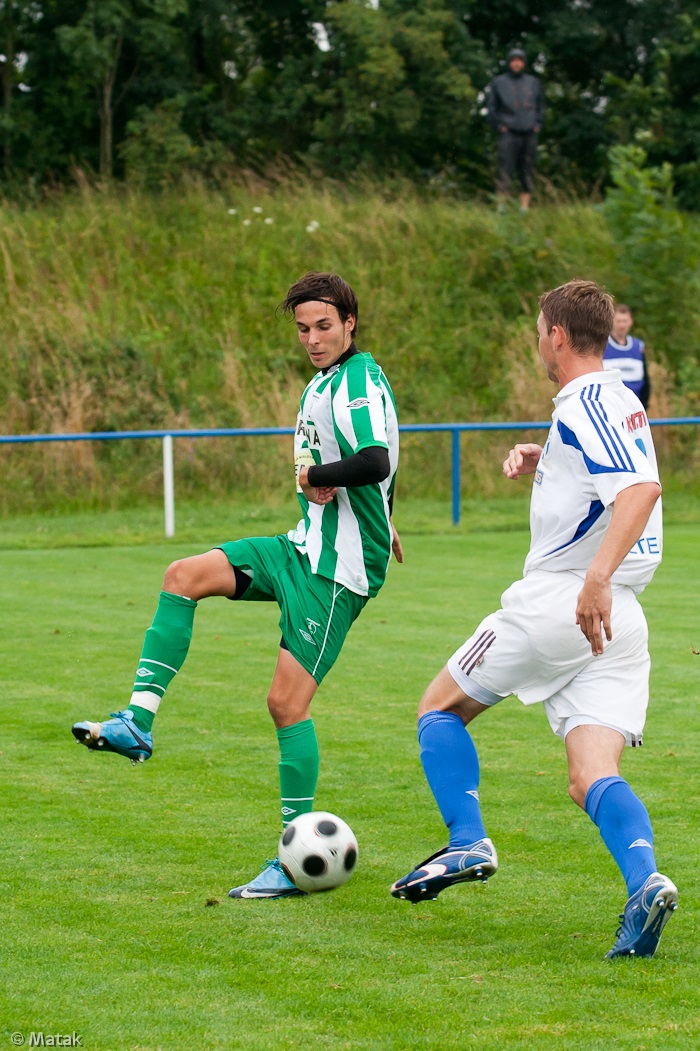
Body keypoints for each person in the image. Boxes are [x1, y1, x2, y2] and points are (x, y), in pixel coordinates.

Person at [72, 271, 402, 900]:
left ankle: (294, 855)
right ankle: (137, 722)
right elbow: (385, 463)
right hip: (300, 547)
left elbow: (374, 460)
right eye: (303, 328)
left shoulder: (357, 378)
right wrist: (386, 516)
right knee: (183, 576)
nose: (312, 338)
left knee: (286, 705)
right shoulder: (323, 383)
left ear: (350, 323)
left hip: (337, 573)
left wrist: (320, 481)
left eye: (324, 326)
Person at [391, 279, 678, 960]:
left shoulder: (589, 402)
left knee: (439, 707)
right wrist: (540, 454)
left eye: (538, 328)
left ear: (555, 334)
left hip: (567, 602)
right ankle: (646, 884)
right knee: (589, 772)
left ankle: (467, 840)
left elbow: (639, 488)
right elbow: (605, 475)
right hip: (619, 623)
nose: (536, 339)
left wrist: (595, 579)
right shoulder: (608, 401)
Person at [487, 48, 545, 211]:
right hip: (509, 133)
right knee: (505, 170)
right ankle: (502, 206)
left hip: (529, 133)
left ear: (524, 63)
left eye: (519, 60)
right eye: (513, 60)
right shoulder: (499, 82)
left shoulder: (533, 82)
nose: (516, 63)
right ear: (509, 62)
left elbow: (540, 105)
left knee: (527, 171)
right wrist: (499, 126)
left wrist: (538, 124)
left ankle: (524, 208)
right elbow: (492, 108)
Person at [603, 303, 650, 410]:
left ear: (631, 322)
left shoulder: (638, 346)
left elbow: (646, 380)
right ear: (612, 322)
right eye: (619, 321)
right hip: (611, 408)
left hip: (634, 408)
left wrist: (644, 406)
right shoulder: (602, 346)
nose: (622, 325)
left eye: (625, 321)